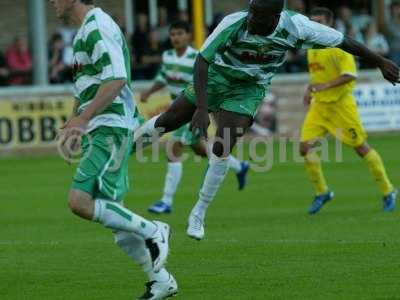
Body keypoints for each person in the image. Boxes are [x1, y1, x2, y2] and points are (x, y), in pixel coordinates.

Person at [134, 0, 400, 240]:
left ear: (276, 16)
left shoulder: (297, 26)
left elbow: (345, 41)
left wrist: (379, 61)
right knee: (169, 120)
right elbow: (202, 61)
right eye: (252, 13)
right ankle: (123, 151)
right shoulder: (234, 22)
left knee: (223, 143)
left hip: (248, 89)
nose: (254, 19)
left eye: (260, 17)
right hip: (217, 77)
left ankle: (198, 213)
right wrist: (202, 109)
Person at [49, 0, 177, 299]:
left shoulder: (98, 25)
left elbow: (116, 79)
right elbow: (89, 84)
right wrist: (75, 120)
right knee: (120, 230)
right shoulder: (83, 31)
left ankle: (153, 229)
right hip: (100, 126)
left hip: (111, 126)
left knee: (80, 201)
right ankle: (161, 281)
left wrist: (84, 118)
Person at [140, 21, 250, 215]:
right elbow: (162, 78)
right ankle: (239, 166)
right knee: (203, 151)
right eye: (173, 34)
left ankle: (166, 201)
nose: (176, 37)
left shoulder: (196, 57)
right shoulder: (167, 56)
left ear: (188, 35)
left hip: (192, 111)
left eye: (180, 33)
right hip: (177, 110)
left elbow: (206, 83)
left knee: (172, 149)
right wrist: (149, 92)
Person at [300, 7, 397, 215]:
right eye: (312, 21)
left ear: (330, 23)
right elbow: (317, 76)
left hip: (341, 106)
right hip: (320, 107)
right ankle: (322, 192)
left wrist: (324, 86)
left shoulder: (339, 46)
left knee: (361, 148)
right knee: (305, 148)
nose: (315, 25)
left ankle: (388, 191)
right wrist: (310, 90)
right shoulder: (312, 47)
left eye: (319, 21)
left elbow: (349, 75)